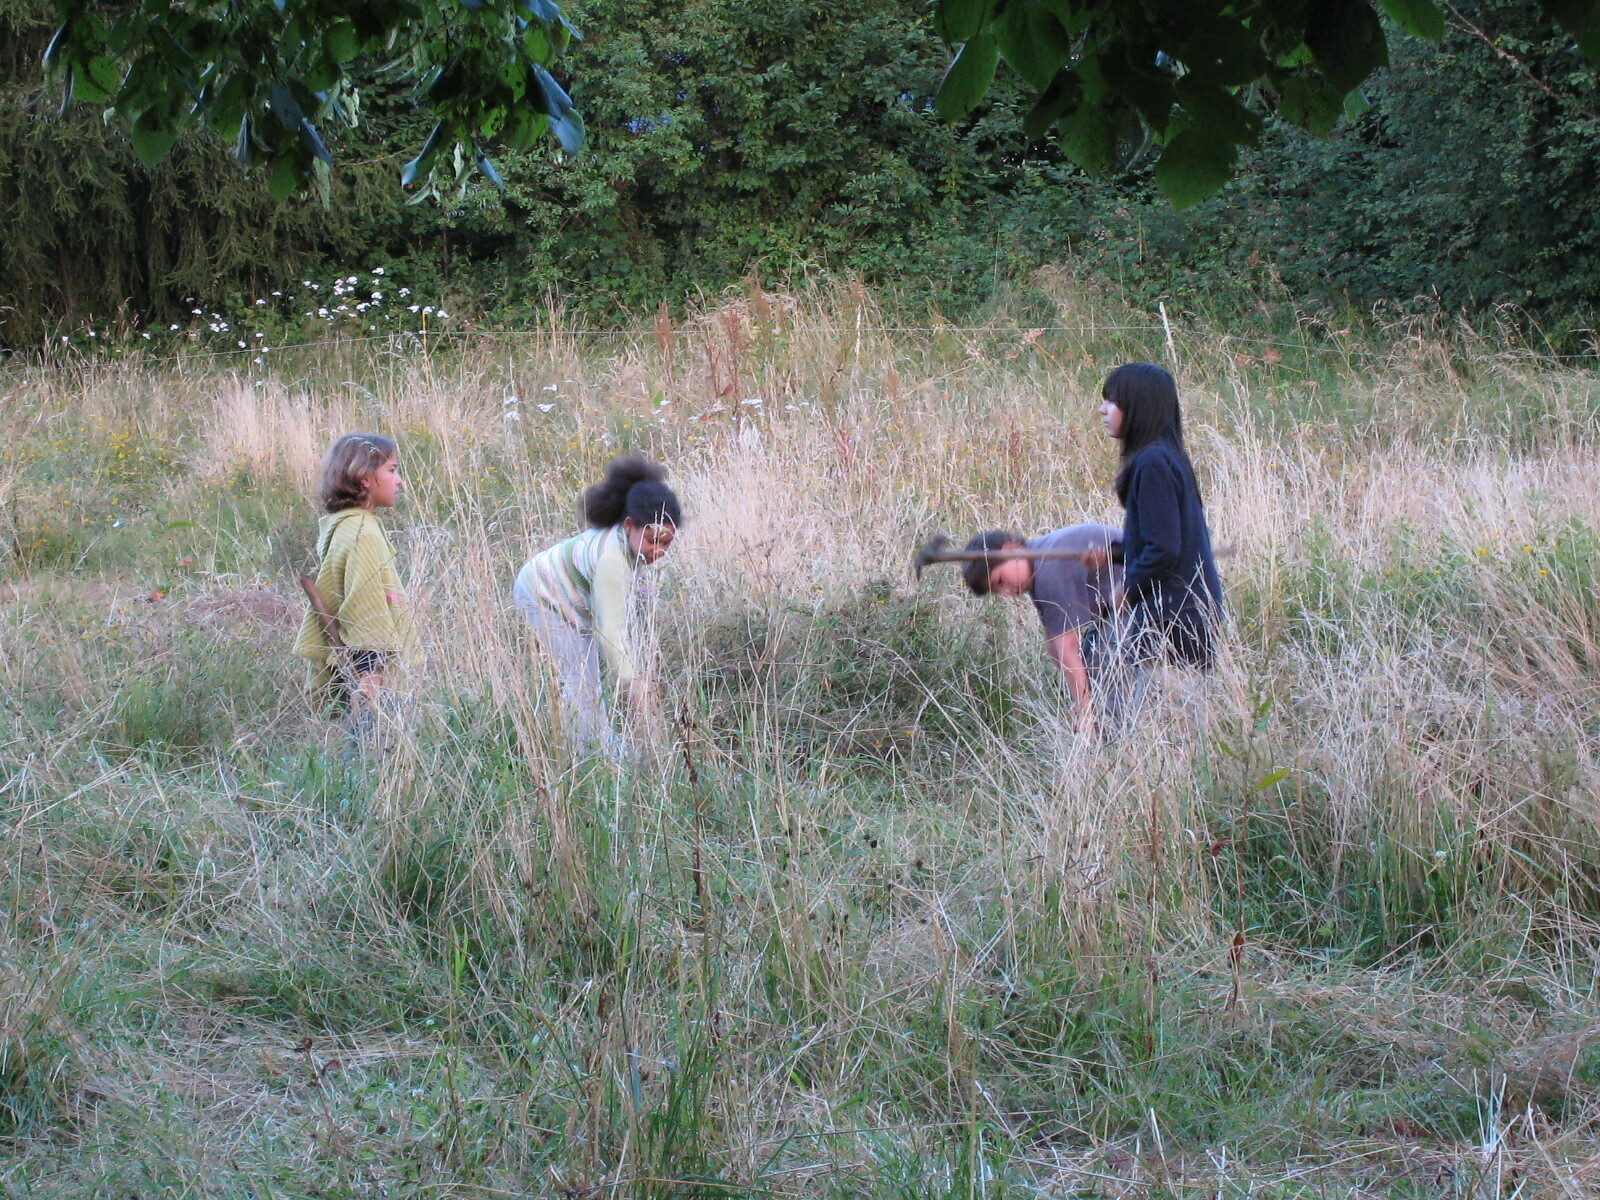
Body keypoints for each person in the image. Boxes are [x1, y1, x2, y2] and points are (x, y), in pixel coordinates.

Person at [1080, 362, 1225, 727]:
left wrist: (1125, 591)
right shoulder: (1165, 457)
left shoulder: (1153, 463)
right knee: (1177, 731)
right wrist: (1115, 555)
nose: (1102, 410)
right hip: (1187, 611)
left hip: (1173, 616)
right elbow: (1162, 539)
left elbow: (1164, 548)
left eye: (1112, 401)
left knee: (1158, 729)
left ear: (1138, 407)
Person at [512, 453, 681, 755]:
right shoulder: (612, 561)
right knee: (583, 682)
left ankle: (607, 751)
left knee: (588, 676)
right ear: (629, 525)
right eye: (653, 540)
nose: (659, 550)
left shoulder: (626, 542)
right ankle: (590, 756)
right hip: (542, 594)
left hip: (561, 590)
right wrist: (635, 684)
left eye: (666, 543)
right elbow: (611, 633)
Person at [293, 433, 417, 741]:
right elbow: (365, 607)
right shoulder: (362, 533)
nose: (399, 481)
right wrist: (370, 673)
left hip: (358, 671)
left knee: (362, 751)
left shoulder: (350, 525)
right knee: (374, 750)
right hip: (372, 678)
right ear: (364, 477)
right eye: (392, 470)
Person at [961, 524, 1123, 730]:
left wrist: (1084, 710)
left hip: (1148, 595)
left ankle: (1113, 732)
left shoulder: (1048, 572)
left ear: (1010, 551)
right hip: (1120, 608)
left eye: (1000, 580)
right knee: (1092, 662)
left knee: (1106, 665)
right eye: (997, 590)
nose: (1007, 592)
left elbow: (1067, 646)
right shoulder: (1038, 561)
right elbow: (1054, 643)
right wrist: (1079, 695)